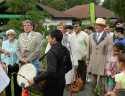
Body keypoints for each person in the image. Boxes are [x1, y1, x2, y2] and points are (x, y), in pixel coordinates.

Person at [32, 29, 67, 96]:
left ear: (54, 39)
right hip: (62, 81)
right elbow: (69, 66)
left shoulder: (51, 52)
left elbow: (51, 71)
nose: (48, 38)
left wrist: (35, 79)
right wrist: (60, 72)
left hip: (52, 84)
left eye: (49, 37)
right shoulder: (65, 49)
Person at [87, 18, 113, 95]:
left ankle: (102, 94)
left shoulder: (108, 37)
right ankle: (93, 94)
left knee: (102, 83)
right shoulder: (91, 36)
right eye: (96, 25)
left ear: (103, 26)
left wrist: (108, 64)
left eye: (99, 25)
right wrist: (88, 60)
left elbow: (110, 51)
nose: (97, 26)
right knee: (93, 83)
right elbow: (88, 49)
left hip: (103, 62)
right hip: (93, 61)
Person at [1, 29, 21, 96]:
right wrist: (4, 63)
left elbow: (19, 53)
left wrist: (17, 62)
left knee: (17, 82)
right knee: (7, 82)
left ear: (14, 35)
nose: (10, 35)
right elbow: (2, 54)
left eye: (12, 34)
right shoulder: (4, 42)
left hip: (16, 64)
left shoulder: (18, 42)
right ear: (7, 35)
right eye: (9, 34)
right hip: (7, 65)